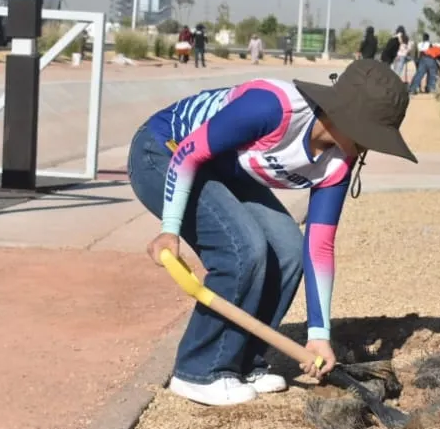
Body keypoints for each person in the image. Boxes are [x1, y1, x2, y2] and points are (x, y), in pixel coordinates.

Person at [128, 59, 418, 406]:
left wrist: (319, 335)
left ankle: (242, 361)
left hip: (222, 171)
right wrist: (169, 230)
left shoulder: (339, 162)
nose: (369, 147)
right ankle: (198, 371)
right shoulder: (272, 108)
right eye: (370, 135)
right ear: (347, 117)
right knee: (243, 249)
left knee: (289, 250)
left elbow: (319, 246)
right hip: (165, 152)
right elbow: (189, 153)